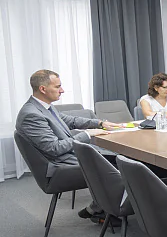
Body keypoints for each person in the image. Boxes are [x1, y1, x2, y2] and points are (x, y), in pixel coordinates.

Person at [15, 69, 123, 219]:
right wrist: (87, 134)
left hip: (67, 158)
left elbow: (70, 120)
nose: (62, 90)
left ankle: (99, 208)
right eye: (57, 86)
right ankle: (107, 210)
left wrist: (99, 123)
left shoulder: (43, 106)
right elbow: (54, 148)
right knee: (119, 167)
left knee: (118, 160)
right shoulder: (31, 115)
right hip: (60, 167)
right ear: (43, 89)